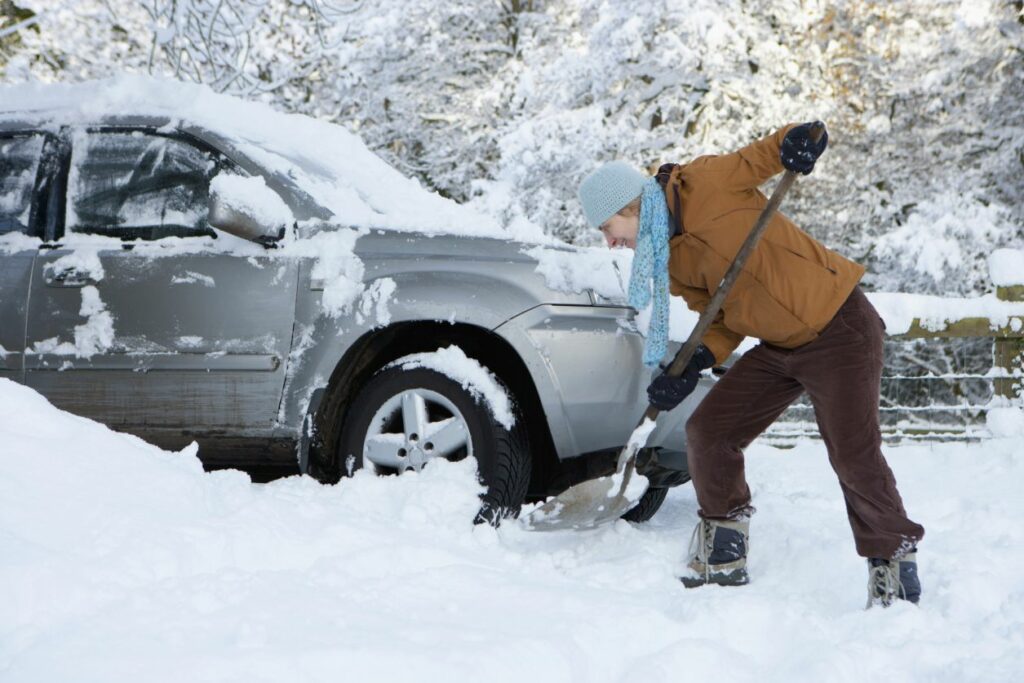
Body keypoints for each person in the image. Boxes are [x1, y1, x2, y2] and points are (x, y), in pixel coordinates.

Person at [577, 122, 924, 608]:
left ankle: (893, 564)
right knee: (709, 431)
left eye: (607, 229)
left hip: (839, 326)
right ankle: (724, 545)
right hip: (780, 345)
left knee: (853, 453)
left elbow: (763, 155)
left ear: (628, 208)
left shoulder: (703, 182)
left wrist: (799, 140)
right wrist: (695, 359)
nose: (610, 244)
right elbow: (718, 317)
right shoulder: (668, 260)